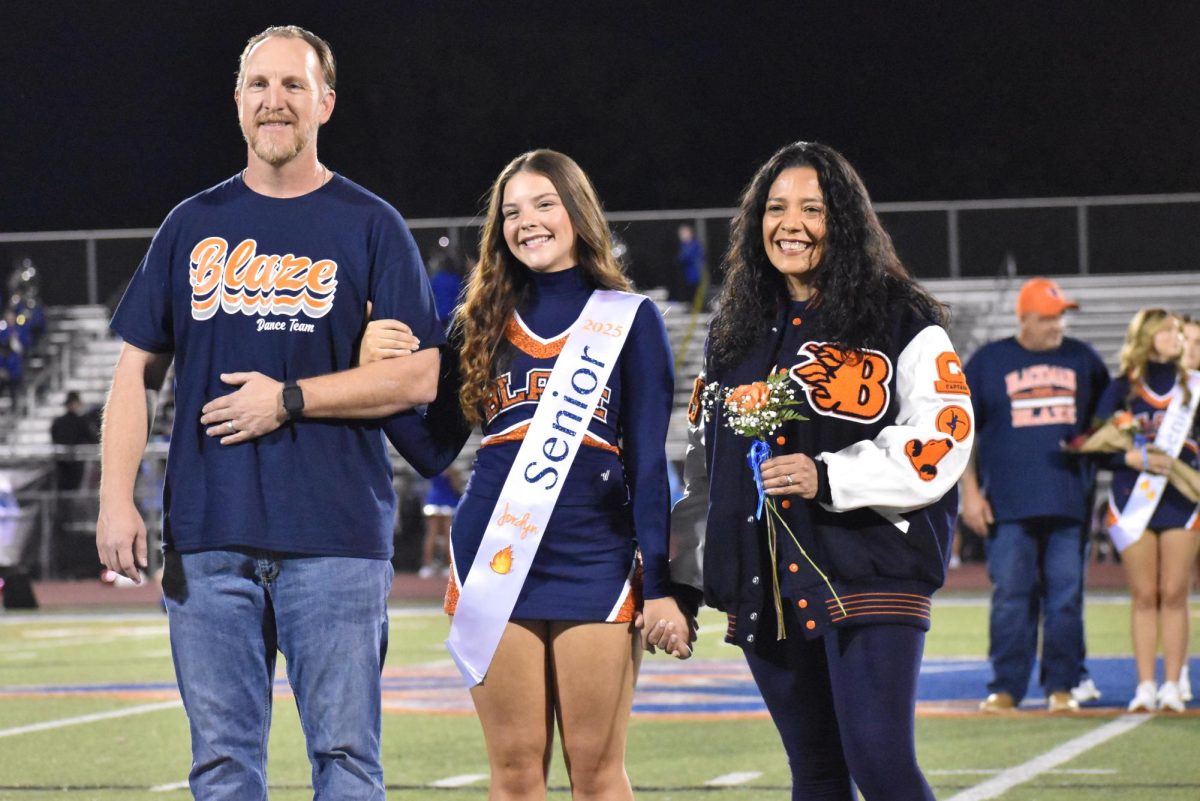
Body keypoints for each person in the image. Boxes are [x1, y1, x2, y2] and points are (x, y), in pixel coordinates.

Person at [96, 26, 443, 799]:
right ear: (238, 102)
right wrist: (115, 500)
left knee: (348, 762)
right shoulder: (190, 223)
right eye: (259, 86)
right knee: (221, 768)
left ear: (325, 101)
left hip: (337, 539)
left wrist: (287, 400)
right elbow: (134, 371)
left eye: (292, 86)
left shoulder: (371, 223)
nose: (274, 102)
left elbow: (421, 376)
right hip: (208, 539)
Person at [360, 149, 693, 800]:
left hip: (595, 559)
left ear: (577, 212)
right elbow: (432, 451)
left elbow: (649, 466)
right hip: (495, 557)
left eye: (544, 204)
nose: (527, 221)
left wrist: (660, 583)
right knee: (514, 776)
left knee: (597, 775)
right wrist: (369, 374)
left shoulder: (629, 320)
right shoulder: (480, 320)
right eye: (512, 211)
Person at [670, 140, 971, 801]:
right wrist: (681, 584)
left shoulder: (901, 316)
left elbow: (944, 435)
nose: (791, 224)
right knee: (816, 775)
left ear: (844, 219)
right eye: (776, 208)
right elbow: (703, 462)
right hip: (765, 581)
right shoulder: (735, 332)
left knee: (881, 767)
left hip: (869, 565)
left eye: (812, 208)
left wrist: (829, 475)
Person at [962, 277, 1111, 714]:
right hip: (1007, 505)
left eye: (1061, 315)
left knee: (1066, 601)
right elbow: (962, 432)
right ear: (1023, 318)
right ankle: (1006, 687)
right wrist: (970, 493)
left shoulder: (1084, 358)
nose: (1057, 325)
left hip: (1068, 502)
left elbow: (1109, 418)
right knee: (1011, 597)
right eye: (1048, 317)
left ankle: (1062, 686)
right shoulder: (989, 361)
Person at [1093, 309, 1200, 713]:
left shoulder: (1193, 386)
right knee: (1143, 595)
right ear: (1149, 337)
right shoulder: (1122, 387)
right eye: (1170, 331)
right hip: (1133, 499)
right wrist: (1130, 460)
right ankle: (1145, 686)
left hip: (1181, 502)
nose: (1179, 338)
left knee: (1175, 593)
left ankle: (1173, 684)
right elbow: (1094, 446)